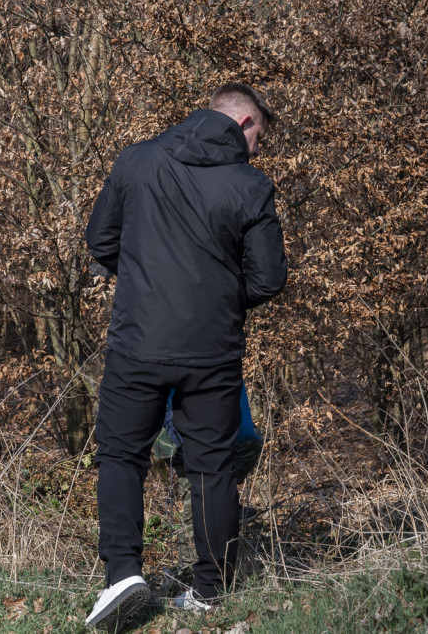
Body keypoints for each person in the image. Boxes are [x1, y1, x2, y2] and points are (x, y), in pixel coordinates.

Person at [83, 84, 287, 631]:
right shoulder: (249, 184)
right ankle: (209, 590)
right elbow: (270, 280)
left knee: (122, 455)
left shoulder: (139, 159)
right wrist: (217, 297)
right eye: (260, 138)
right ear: (243, 123)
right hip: (212, 350)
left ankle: (123, 576)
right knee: (211, 464)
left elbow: (100, 241)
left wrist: (147, 283)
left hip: (137, 343)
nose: (259, 151)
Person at [153, 384, 264, 599]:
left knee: (205, 495)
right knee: (195, 498)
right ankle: (188, 572)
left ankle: (223, 513)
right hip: (187, 435)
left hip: (224, 433)